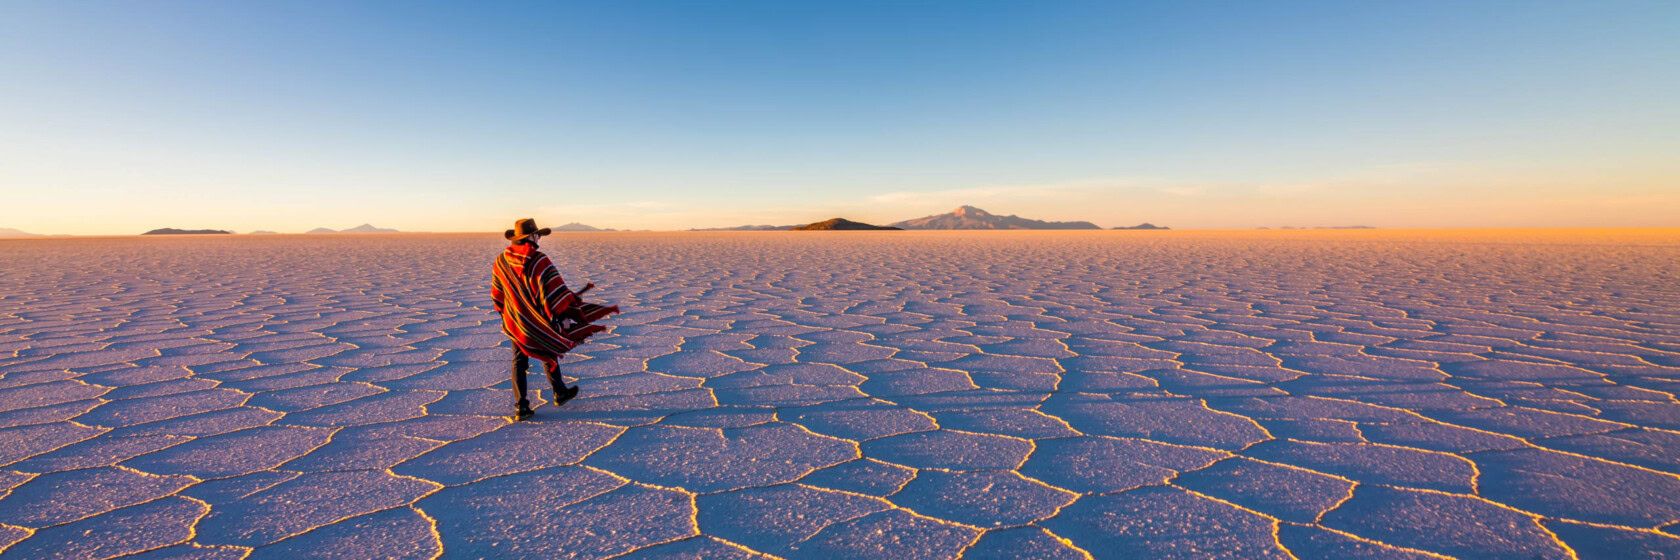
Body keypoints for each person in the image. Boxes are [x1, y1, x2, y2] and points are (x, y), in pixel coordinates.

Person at [490, 218, 619, 420]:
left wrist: (508, 315)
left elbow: (498, 294)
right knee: (548, 347)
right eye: (537, 235)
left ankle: (522, 406)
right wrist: (567, 309)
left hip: (516, 321)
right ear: (531, 237)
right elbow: (555, 293)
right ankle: (559, 392)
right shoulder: (539, 260)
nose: (539, 238)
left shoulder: (501, 261)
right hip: (539, 320)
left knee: (519, 360)